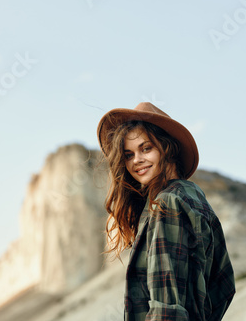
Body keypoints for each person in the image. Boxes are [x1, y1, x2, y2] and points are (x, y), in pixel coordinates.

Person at [97, 102, 235, 320]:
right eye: (128, 155)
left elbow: (167, 308)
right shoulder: (194, 198)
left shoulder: (169, 203)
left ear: (168, 148)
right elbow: (225, 286)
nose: (137, 161)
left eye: (146, 148)